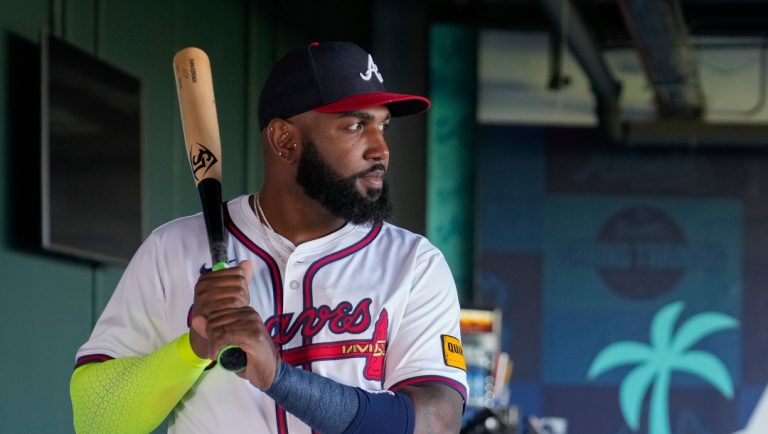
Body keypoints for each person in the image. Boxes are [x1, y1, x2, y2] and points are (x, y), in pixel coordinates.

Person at [70, 41, 467, 434]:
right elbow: (95, 421)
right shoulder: (172, 249)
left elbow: (436, 424)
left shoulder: (413, 263)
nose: (380, 149)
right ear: (284, 140)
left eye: (382, 126)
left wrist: (278, 377)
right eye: (355, 125)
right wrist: (194, 346)